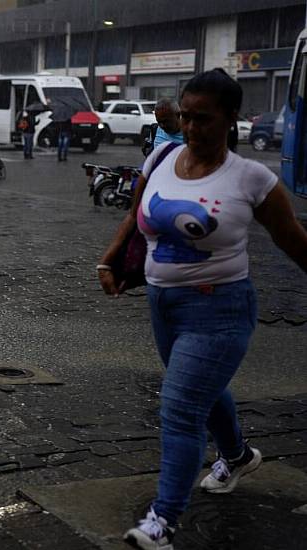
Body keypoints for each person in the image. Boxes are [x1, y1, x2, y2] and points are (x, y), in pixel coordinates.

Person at [97, 68, 307, 550]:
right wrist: (108, 260)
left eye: (204, 120)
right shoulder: (163, 154)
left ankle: (161, 523)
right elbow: (135, 215)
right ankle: (235, 456)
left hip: (221, 311)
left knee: (181, 405)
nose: (192, 129)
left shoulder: (253, 179)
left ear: (231, 119)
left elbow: (294, 242)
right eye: (186, 117)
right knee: (204, 392)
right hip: (162, 305)